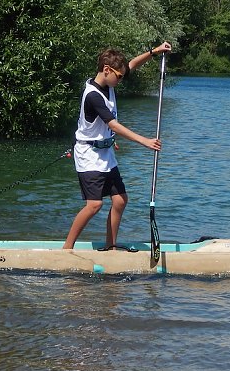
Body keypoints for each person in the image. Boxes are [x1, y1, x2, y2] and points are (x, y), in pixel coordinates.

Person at [63, 42, 172, 250]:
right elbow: (113, 124)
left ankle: (110, 246)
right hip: (88, 155)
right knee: (94, 205)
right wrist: (144, 141)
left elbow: (131, 65)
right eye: (119, 77)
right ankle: (67, 249)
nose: (121, 80)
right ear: (106, 70)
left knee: (120, 200)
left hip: (106, 153)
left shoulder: (109, 84)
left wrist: (154, 52)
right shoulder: (92, 95)